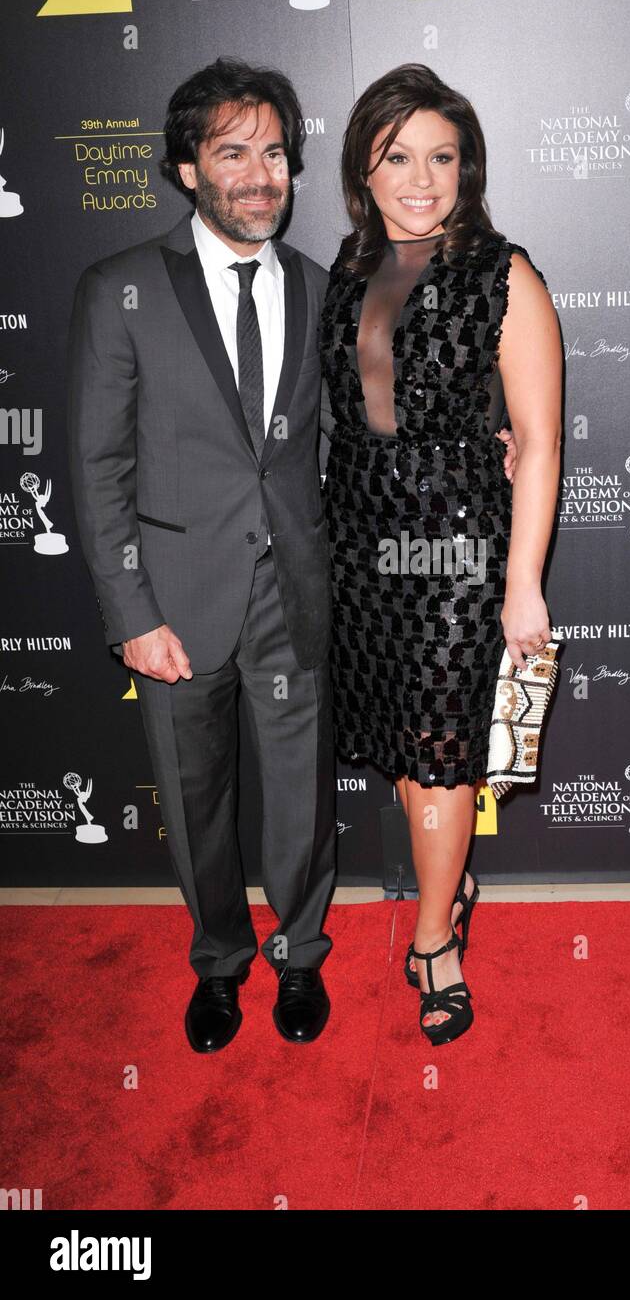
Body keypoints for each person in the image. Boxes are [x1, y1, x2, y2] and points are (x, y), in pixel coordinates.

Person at [66, 58, 338, 1054]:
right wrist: (130, 614)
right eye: (233, 152)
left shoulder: (317, 288)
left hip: (295, 595)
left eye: (274, 152)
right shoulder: (122, 289)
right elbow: (96, 468)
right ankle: (220, 959)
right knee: (197, 799)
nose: (262, 174)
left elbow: (343, 444)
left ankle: (300, 953)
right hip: (178, 601)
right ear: (187, 168)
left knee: (302, 793)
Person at [319, 63, 562, 1045]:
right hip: (361, 542)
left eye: (443, 157)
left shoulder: (505, 275)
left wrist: (523, 584)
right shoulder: (345, 268)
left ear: (469, 167)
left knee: (447, 750)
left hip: (458, 548)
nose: (423, 179)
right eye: (398, 157)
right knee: (407, 749)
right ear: (363, 172)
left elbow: (539, 439)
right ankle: (447, 878)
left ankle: (434, 941)